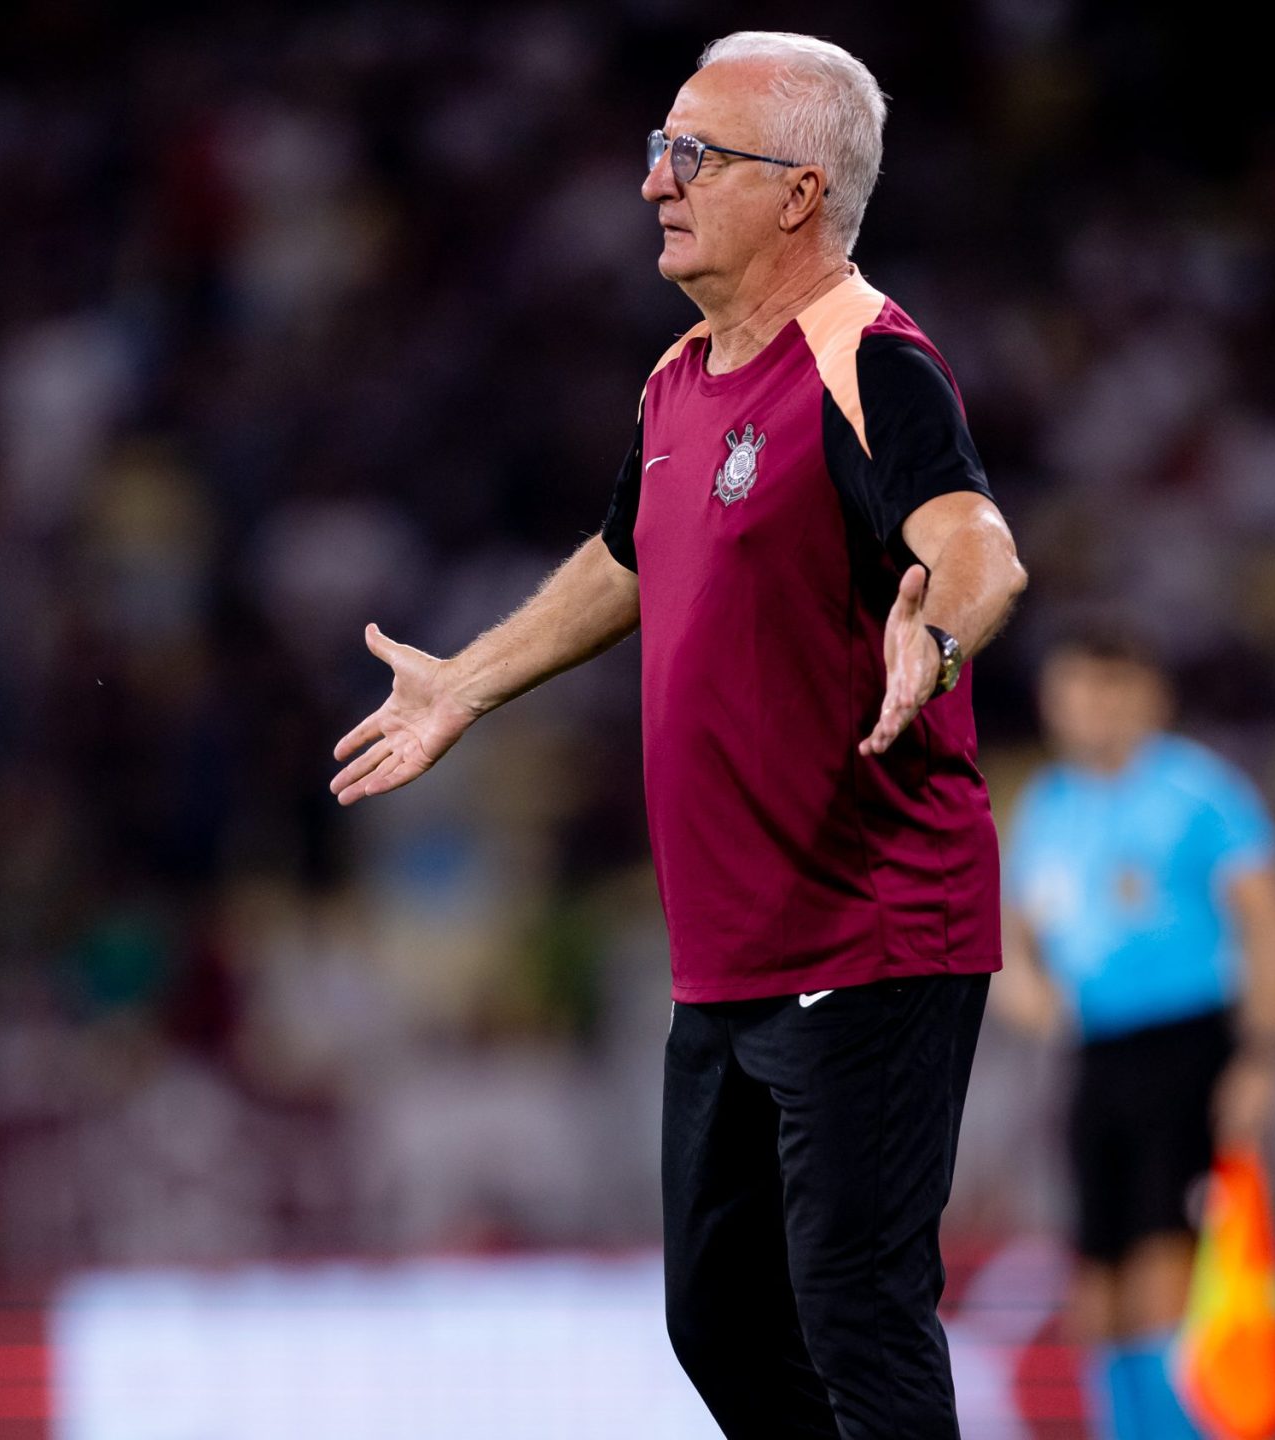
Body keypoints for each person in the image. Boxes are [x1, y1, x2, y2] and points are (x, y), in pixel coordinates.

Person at [329, 31, 1028, 1439]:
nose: (656, 181)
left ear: (798, 192)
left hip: (871, 933)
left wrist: (938, 636)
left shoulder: (868, 363)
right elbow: (626, 555)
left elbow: (979, 548)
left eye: (694, 154)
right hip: (731, 953)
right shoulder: (680, 375)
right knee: (719, 1322)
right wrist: (466, 684)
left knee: (855, 1313)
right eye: (661, 148)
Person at [995, 626, 1275, 1440]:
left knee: (1167, 1268)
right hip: (1096, 1057)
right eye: (1075, 689)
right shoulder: (1048, 807)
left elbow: (1272, 925)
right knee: (1096, 1283)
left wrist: (1263, 1056)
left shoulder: (1199, 792)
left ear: (1148, 696)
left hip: (1189, 1046)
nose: (1091, 707)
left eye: (1110, 687)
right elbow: (1015, 933)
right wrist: (1023, 988)